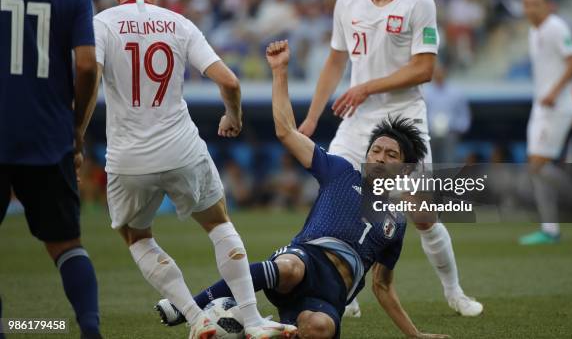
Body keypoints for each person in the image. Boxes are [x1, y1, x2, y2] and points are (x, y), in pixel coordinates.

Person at [156, 40, 450, 339]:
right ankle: (189, 307)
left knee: (318, 329)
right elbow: (286, 132)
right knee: (289, 268)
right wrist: (280, 71)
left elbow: (383, 286)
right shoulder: (340, 172)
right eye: (376, 150)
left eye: (391, 155)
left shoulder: (397, 223)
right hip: (307, 258)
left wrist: (415, 335)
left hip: (331, 293)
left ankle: (262, 328)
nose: (380, 158)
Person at [91, 0, 296, 339]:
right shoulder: (178, 23)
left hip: (127, 155)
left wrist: (75, 130)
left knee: (137, 237)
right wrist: (232, 115)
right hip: (181, 147)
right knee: (219, 224)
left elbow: (87, 71)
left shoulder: (101, 24)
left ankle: (194, 315)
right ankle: (252, 321)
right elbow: (230, 81)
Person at [297, 0, 482, 317]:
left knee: (421, 213)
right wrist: (312, 118)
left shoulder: (420, 3)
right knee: (336, 199)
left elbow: (425, 68)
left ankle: (454, 291)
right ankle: (343, 292)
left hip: (404, 120)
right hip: (357, 119)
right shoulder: (347, 2)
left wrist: (366, 86)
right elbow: (335, 60)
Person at [0, 0, 103, 338]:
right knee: (65, 244)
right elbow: (85, 66)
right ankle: (89, 329)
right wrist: (76, 129)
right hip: (46, 133)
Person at [519, 0, 572, 245]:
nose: (530, 9)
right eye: (526, 4)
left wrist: (554, 92)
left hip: (558, 105)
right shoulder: (533, 31)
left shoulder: (556, 27)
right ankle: (550, 229)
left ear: (547, 5)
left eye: (535, 4)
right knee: (535, 168)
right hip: (541, 106)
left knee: (538, 165)